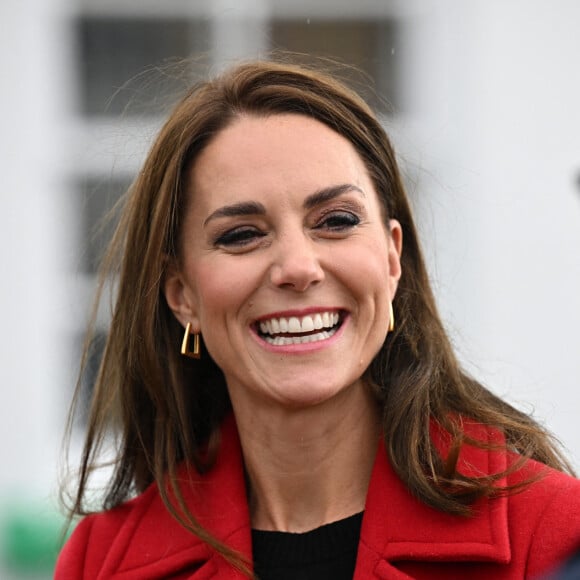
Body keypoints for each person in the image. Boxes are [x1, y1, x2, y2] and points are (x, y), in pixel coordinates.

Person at [55, 60, 580, 579]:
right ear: (182, 294)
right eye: (242, 234)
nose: (298, 268)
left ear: (392, 259)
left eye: (336, 221)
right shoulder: (101, 562)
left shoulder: (551, 531)